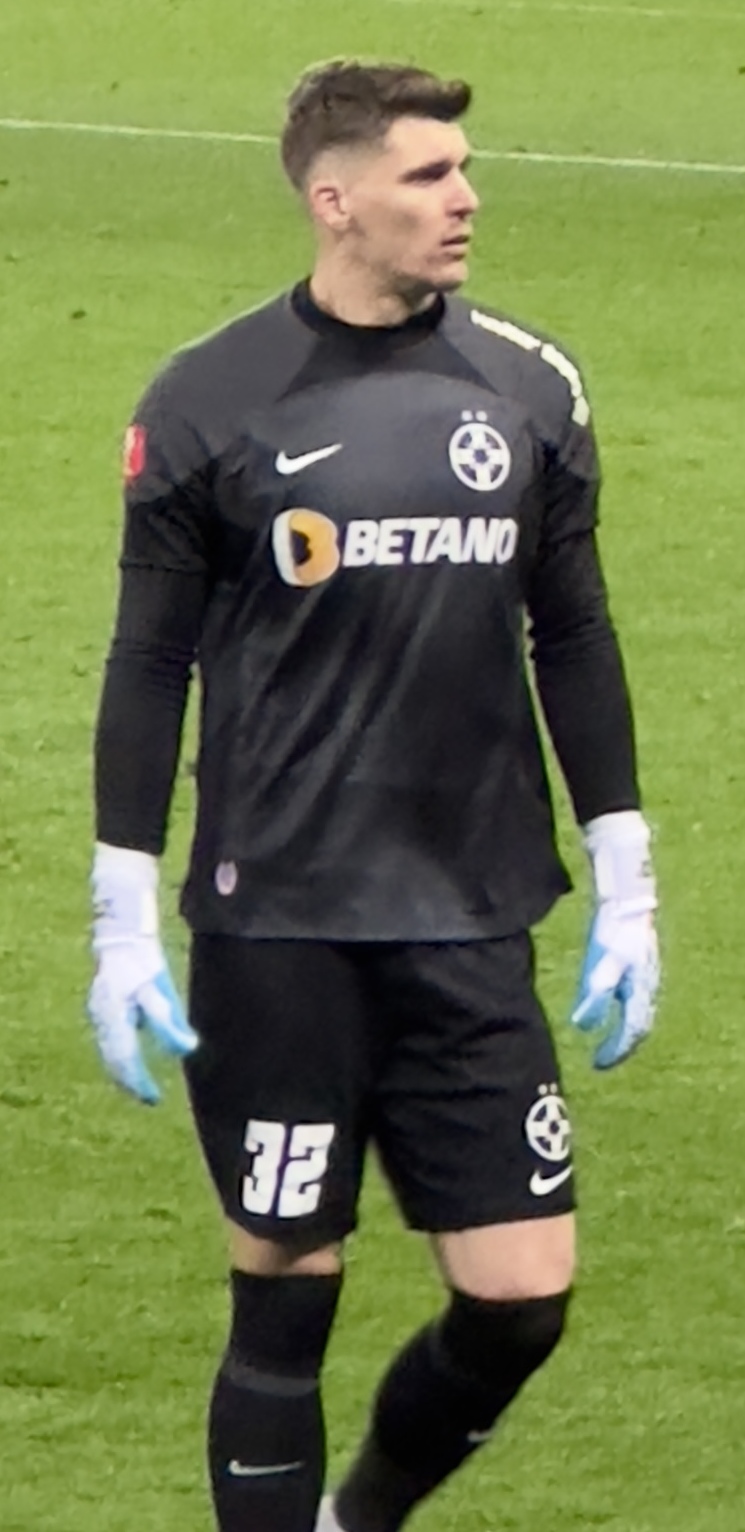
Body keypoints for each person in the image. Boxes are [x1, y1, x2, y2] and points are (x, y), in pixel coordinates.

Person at [87, 60, 660, 1532]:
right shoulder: (208, 401)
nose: (464, 197)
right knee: (284, 1284)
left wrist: (626, 878)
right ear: (333, 201)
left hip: (471, 916)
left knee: (520, 1297)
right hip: (278, 919)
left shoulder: (530, 385)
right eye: (427, 176)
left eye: (463, 169)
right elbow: (149, 664)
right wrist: (123, 921)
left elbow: (574, 632)